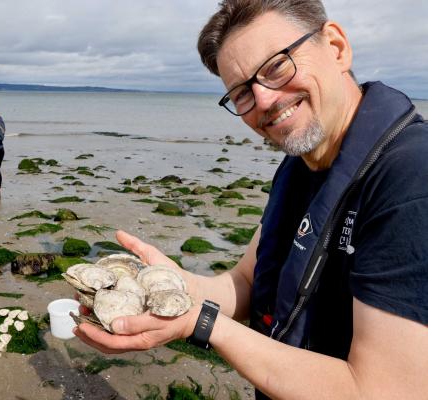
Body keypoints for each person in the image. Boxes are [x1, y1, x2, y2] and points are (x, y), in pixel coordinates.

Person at [74, 1, 428, 399]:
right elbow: (244, 281)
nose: (262, 100)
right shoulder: (298, 167)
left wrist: (204, 324)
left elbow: (384, 390)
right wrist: (172, 285)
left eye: (277, 66)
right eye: (241, 92)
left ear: (336, 46)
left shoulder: (411, 177)